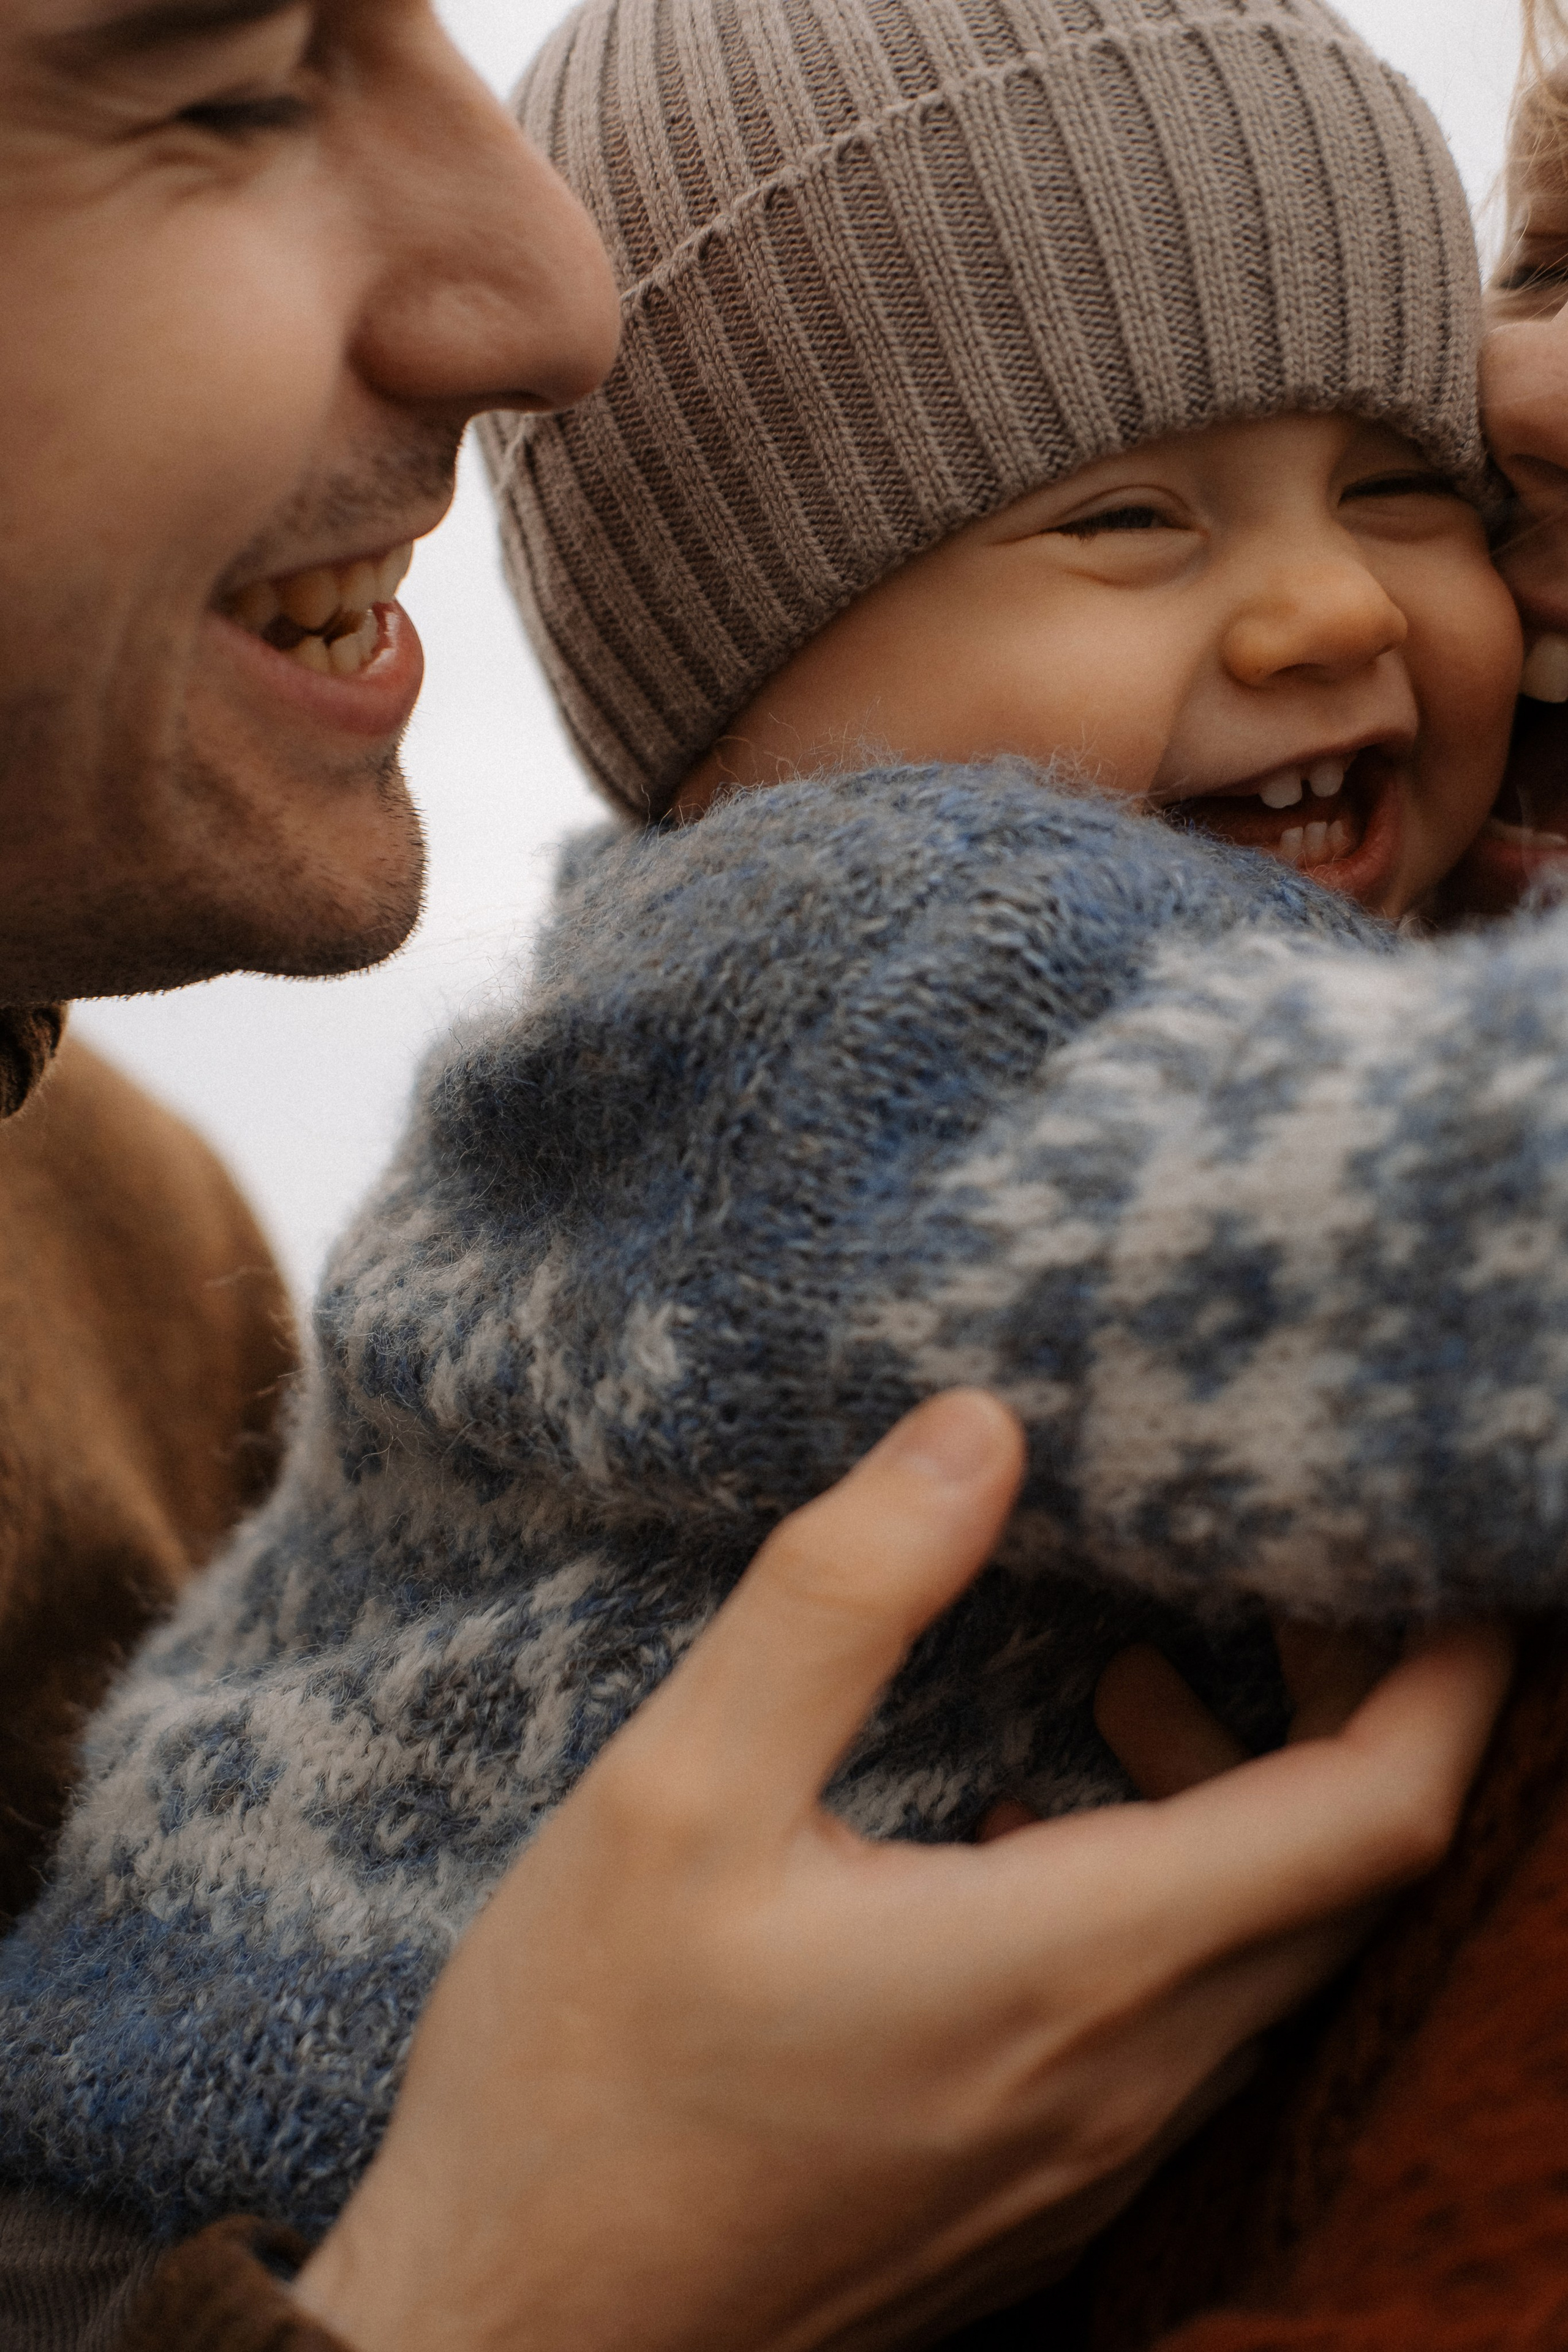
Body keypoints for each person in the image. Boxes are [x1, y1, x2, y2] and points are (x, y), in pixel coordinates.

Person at [0, 0, 1502, 2345]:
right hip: (262, 2205)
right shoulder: (895, 962)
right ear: (748, 707)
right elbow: (1480, 1257)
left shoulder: (129, 1247)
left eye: (1418, 489)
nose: (1342, 608)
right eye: (1123, 516)